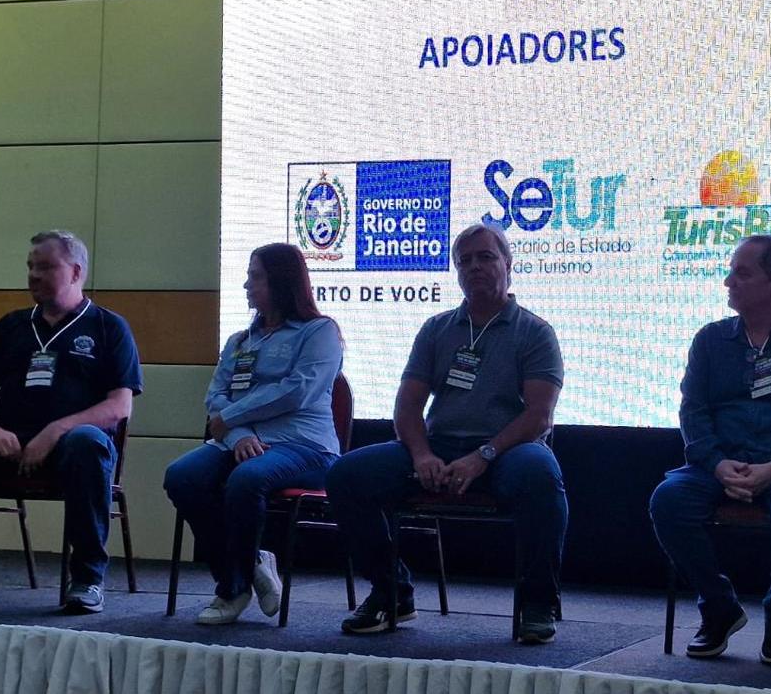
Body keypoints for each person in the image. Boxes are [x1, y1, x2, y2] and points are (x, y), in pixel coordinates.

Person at [326, 222, 566, 643]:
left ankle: (536, 602)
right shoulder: (437, 329)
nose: (475, 267)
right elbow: (407, 407)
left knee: (541, 476)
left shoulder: (534, 331)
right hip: (438, 447)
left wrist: (483, 455)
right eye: (465, 261)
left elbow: (539, 416)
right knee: (347, 475)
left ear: (509, 264)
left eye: (486, 257)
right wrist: (421, 454)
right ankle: (391, 591)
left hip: (507, 451)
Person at [0, 231, 142, 613]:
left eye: (45, 267)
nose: (33, 275)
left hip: (70, 447)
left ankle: (86, 579)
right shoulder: (12, 326)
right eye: (30, 266)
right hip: (4, 442)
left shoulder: (108, 327)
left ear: (75, 272)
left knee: (87, 442)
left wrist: (55, 430)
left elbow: (119, 406)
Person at [649, 234, 771, 665]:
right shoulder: (711, 340)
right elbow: (693, 411)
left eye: (741, 273)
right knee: (668, 500)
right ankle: (719, 607)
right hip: (719, 463)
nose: (728, 282)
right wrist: (717, 463)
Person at [164, 243, 344, 625]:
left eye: (255, 276)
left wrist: (232, 416)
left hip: (305, 446)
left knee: (246, 479)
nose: (247, 285)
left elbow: (298, 390)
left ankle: (231, 589)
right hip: (239, 442)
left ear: (281, 280)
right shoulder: (240, 341)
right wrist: (239, 435)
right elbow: (215, 397)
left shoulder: (319, 332)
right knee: (182, 476)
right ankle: (251, 563)